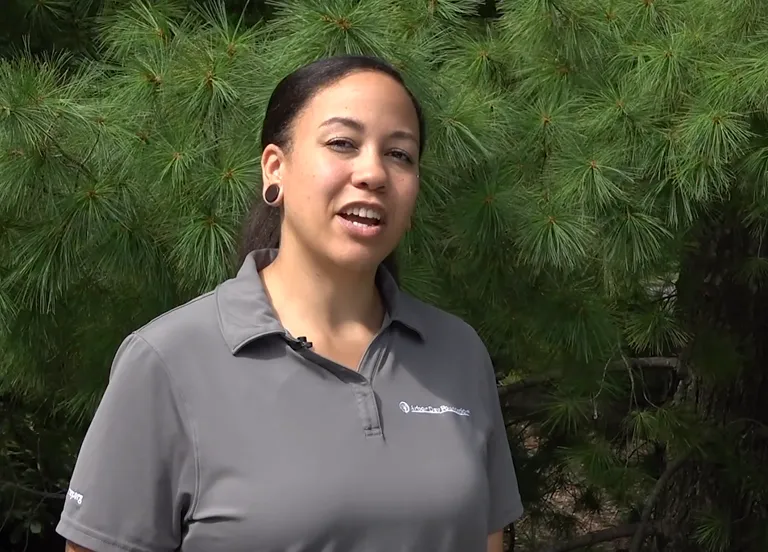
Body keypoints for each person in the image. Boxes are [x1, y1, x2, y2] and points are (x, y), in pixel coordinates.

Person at [56, 54, 523, 552]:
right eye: (343, 143)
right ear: (275, 169)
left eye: (400, 154)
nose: (373, 173)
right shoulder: (168, 361)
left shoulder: (458, 352)